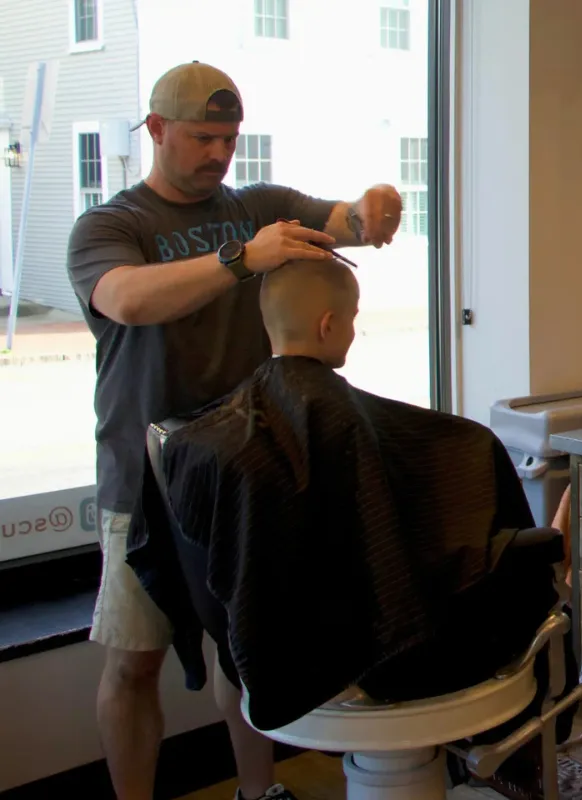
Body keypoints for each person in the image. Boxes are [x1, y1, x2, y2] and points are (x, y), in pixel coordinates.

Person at [66, 60, 403, 800]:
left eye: (228, 137)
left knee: (245, 650)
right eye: (201, 137)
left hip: (243, 479)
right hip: (145, 480)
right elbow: (125, 300)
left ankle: (261, 791)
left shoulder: (260, 205)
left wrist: (374, 208)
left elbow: (347, 218)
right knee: (132, 663)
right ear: (156, 130)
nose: (218, 153)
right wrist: (241, 259)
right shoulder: (112, 225)